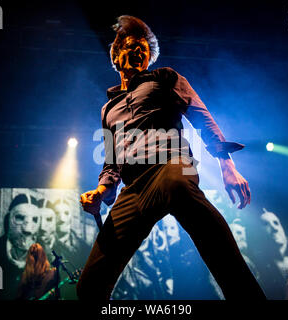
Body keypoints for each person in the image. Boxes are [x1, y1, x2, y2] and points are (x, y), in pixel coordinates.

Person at [78, 15, 265, 300]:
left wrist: (227, 166)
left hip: (171, 165)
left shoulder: (165, 78)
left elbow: (201, 117)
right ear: (115, 56)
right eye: (132, 45)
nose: (140, 51)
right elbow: (111, 162)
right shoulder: (108, 110)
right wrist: (101, 192)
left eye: (145, 48)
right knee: (89, 287)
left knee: (179, 187)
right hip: (134, 189)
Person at [0, 193, 40, 299]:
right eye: (20, 218)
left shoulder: (47, 265)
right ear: (8, 220)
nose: (28, 230)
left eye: (35, 220)